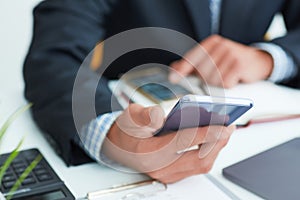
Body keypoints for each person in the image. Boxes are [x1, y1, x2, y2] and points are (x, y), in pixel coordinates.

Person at [24, 0, 300, 183]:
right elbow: (54, 54)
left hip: (254, 136)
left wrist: (270, 58)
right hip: (128, 118)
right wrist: (111, 134)